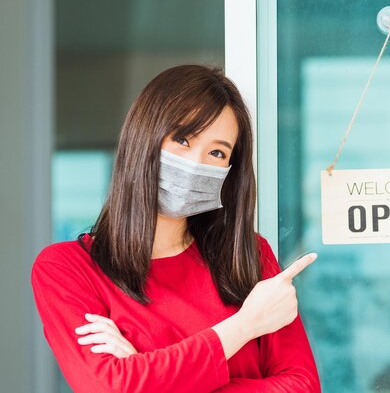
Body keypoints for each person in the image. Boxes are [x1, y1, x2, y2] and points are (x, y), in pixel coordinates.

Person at [31, 65, 321, 392]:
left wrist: (147, 371)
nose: (196, 162)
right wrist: (245, 325)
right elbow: (109, 387)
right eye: (183, 138)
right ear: (144, 137)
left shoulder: (248, 256)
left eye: (217, 152)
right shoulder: (66, 269)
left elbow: (302, 386)